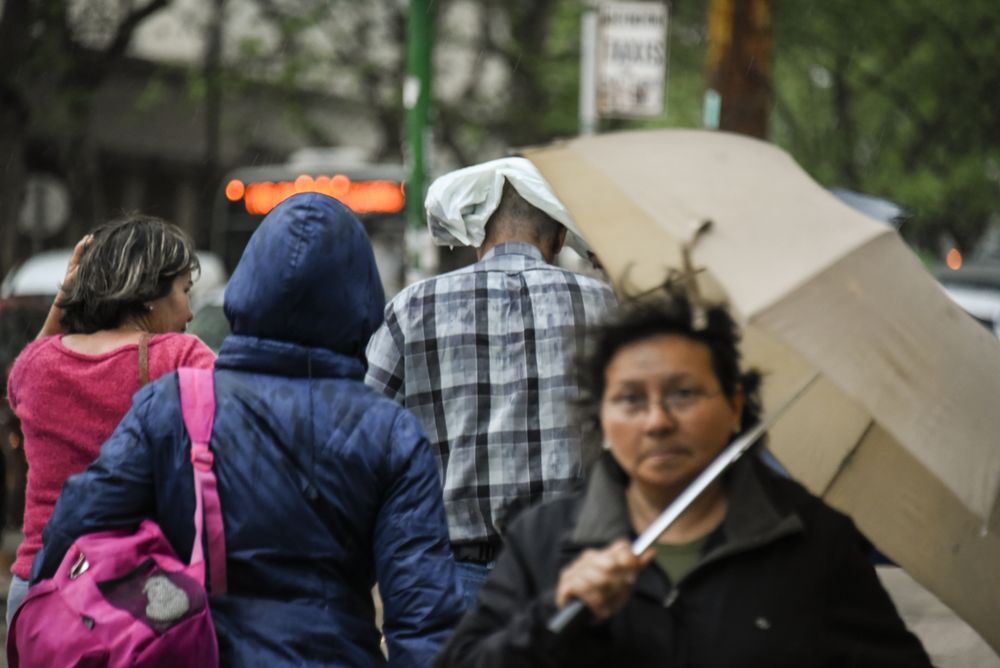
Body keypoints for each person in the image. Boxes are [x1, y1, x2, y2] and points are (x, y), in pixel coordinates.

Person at [32, 193, 464, 666]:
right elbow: (422, 619)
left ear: (248, 285)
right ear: (361, 297)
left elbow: (75, 532)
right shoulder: (391, 434)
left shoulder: (174, 405)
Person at [435, 291, 933, 667]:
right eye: (630, 399)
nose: (657, 421)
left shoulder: (812, 541)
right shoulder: (544, 540)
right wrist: (553, 617)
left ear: (735, 405)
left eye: (684, 394)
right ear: (602, 417)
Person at [366, 157, 617, 606]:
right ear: (559, 238)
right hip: (574, 572)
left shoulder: (412, 308)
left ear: (478, 234)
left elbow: (366, 436)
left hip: (450, 576)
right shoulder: (604, 308)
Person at [5, 215, 215, 626]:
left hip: (37, 591)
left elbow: (18, 383)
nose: (190, 312)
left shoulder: (38, 365)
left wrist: (63, 301)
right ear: (150, 293)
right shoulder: (181, 357)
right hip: (134, 594)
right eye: (185, 292)